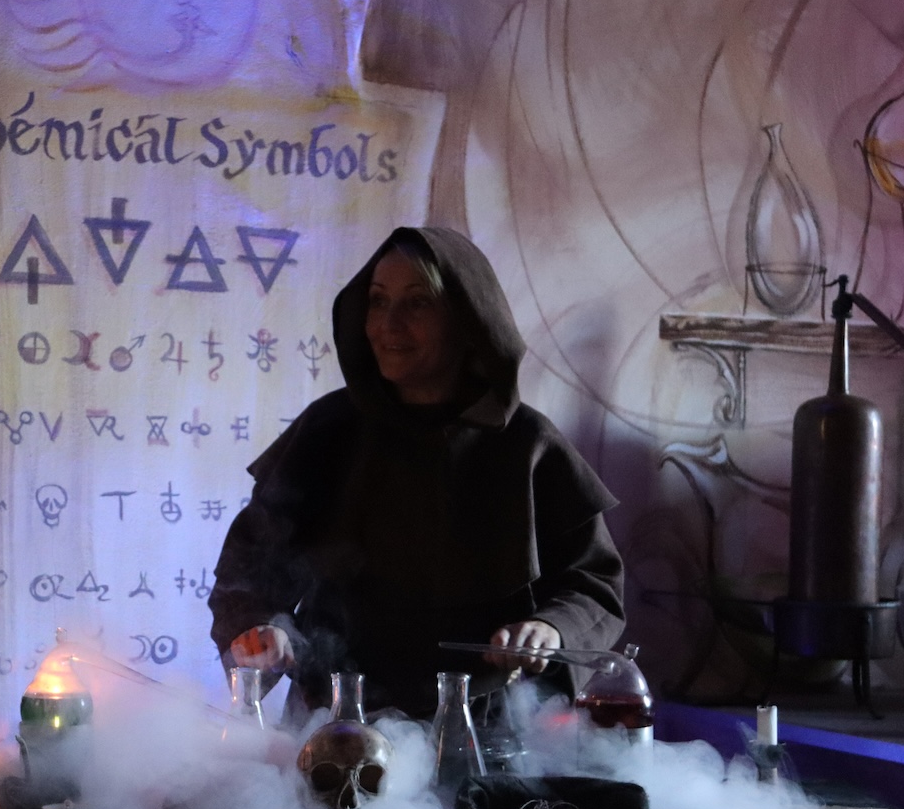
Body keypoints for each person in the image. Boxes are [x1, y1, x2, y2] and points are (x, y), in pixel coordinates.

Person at [208, 226, 625, 721]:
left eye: (417, 303)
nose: (389, 324)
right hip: (331, 723)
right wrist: (264, 627)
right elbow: (251, 565)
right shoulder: (327, 430)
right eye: (378, 301)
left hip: (483, 726)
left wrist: (550, 628)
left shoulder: (527, 443)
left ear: (466, 318)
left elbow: (592, 582)